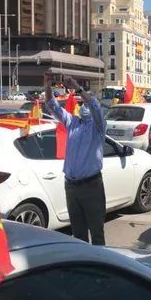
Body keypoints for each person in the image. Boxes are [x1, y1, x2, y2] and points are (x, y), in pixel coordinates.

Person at [44, 74, 108, 245]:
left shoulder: (98, 126)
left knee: (97, 233)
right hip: (72, 187)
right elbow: (52, 105)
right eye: (81, 104)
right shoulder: (73, 123)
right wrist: (48, 85)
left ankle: (101, 268)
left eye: (85, 103)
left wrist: (77, 87)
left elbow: (93, 106)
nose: (83, 106)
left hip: (91, 186)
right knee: (78, 233)